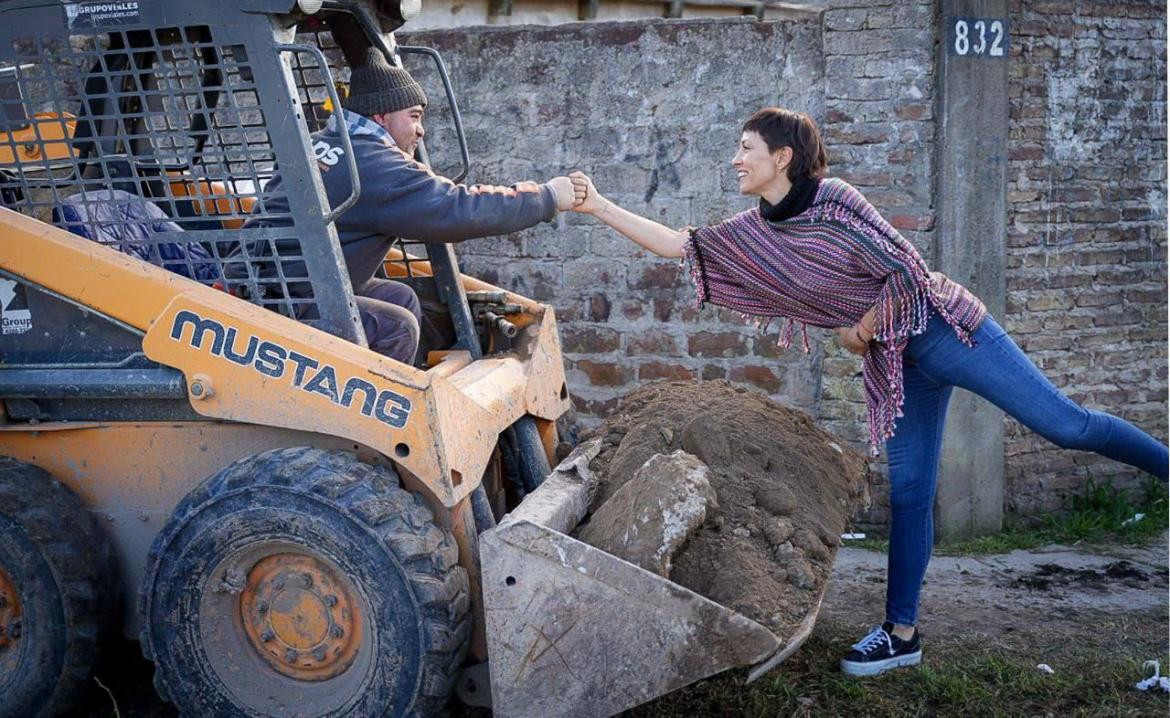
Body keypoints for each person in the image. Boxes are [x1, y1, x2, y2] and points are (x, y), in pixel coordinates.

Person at [567, 107, 1169, 677]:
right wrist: (597, 207)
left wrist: (864, 326)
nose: (735, 160)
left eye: (745, 149)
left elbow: (905, 267)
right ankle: (901, 635)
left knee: (1067, 427)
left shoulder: (836, 200)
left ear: (783, 157)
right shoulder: (754, 233)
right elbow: (681, 245)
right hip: (897, 365)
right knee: (909, 495)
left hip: (946, 328)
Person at [240, 47, 579, 363]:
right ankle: (374, 422)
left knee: (399, 297)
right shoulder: (375, 166)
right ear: (382, 115)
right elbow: (455, 209)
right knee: (396, 325)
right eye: (414, 116)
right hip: (283, 302)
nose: (421, 131)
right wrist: (546, 197)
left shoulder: (320, 142)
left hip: (273, 281)